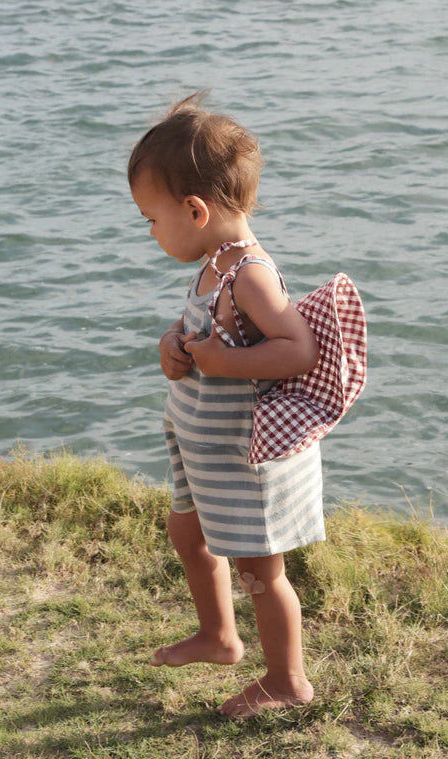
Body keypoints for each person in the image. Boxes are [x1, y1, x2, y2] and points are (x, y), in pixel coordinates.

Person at [128, 92, 326, 718]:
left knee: (261, 572)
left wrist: (224, 363)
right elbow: (204, 331)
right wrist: (173, 345)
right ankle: (218, 636)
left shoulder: (251, 274)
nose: (152, 232)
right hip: (197, 442)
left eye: (151, 220)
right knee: (186, 532)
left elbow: (298, 349)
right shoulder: (216, 262)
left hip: (243, 456)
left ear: (195, 209)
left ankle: (286, 680)